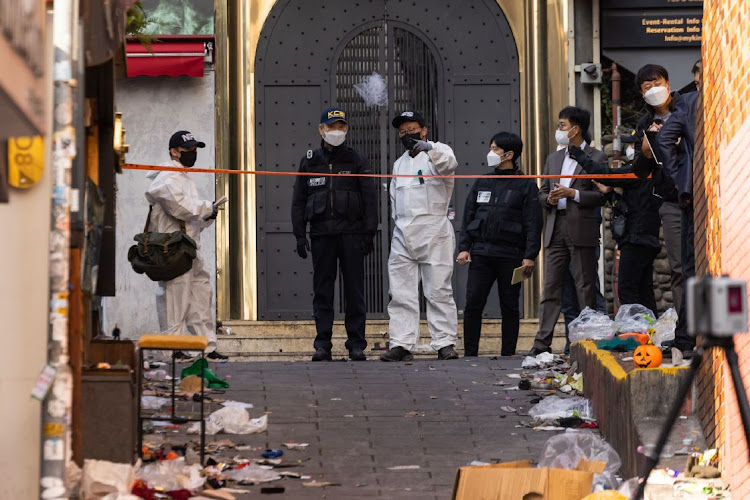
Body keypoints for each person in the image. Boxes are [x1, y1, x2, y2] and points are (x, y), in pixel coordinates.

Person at [291, 107, 378, 362]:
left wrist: (369, 233)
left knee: (354, 291)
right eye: (332, 127)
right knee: (323, 291)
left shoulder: (357, 160)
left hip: (351, 234)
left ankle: (356, 344)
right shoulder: (310, 161)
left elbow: (370, 199)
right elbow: (298, 200)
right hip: (322, 235)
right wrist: (299, 234)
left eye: (341, 127)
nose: (337, 132)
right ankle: (323, 344)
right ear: (321, 130)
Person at [380, 111, 460, 362]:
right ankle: (402, 343)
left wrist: (430, 148)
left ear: (423, 130)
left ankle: (445, 343)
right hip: (403, 233)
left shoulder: (438, 152)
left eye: (412, 129)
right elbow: (395, 199)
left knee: (438, 290)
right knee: (400, 292)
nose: (407, 135)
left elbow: (449, 164)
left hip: (434, 231)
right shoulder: (399, 163)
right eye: (402, 131)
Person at [630, 64, 698, 354]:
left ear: (668, 83)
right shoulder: (643, 125)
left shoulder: (690, 106)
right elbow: (639, 171)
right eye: (646, 87)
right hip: (672, 202)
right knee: (680, 267)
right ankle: (686, 334)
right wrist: (645, 153)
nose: (652, 89)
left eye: (655, 82)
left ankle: (706, 329)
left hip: (701, 193)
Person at [529, 107, 607, 355]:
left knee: (585, 286)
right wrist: (550, 199)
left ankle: (586, 342)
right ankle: (542, 343)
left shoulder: (596, 157)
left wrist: (572, 193)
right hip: (555, 226)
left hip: (581, 227)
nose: (559, 130)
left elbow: (602, 196)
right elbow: (540, 194)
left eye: (562, 125)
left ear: (576, 129)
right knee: (550, 288)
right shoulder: (553, 158)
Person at [457, 132, 542, 356]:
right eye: (491, 147)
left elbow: (533, 223)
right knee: (473, 303)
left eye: (495, 149)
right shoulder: (484, 181)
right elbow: (468, 216)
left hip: (511, 254)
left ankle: (508, 354)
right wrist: (464, 247)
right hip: (482, 253)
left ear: (509, 154)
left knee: (510, 305)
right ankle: (470, 352)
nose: (490, 153)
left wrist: (530, 255)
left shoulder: (526, 185)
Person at [146, 131, 227, 360]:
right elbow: (181, 207)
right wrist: (206, 208)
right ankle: (174, 349)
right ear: (174, 151)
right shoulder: (167, 179)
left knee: (200, 295)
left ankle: (206, 346)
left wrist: (207, 217)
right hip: (172, 250)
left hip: (189, 247)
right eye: (188, 150)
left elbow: (190, 218)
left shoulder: (183, 178)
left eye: (195, 150)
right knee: (175, 299)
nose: (193, 154)